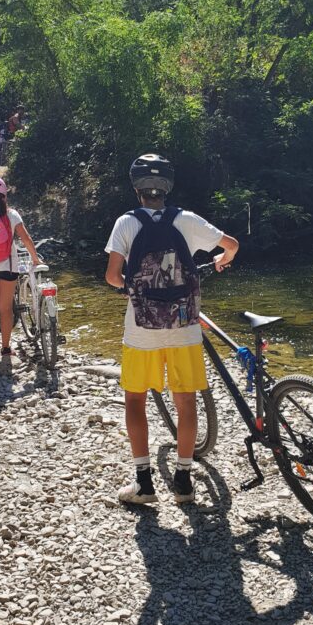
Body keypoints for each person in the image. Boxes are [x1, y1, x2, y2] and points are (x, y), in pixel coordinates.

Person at [105, 154, 239, 505]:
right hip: (184, 326)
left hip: (141, 330)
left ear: (137, 189)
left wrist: (131, 290)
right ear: (168, 188)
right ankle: (183, 482)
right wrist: (223, 260)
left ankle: (143, 483)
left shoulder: (126, 223)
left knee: (134, 399)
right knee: (186, 400)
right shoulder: (187, 220)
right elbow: (232, 245)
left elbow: (111, 276)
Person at [0, 176, 42, 364]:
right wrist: (35, 259)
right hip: (9, 267)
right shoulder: (12, 215)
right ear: (4, 195)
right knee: (5, 309)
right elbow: (26, 239)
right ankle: (5, 348)